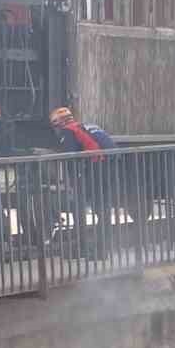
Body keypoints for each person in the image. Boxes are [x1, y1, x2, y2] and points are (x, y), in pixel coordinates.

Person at [49, 106, 117, 259]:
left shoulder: (68, 131)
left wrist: (74, 184)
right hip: (110, 167)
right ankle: (102, 250)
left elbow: (70, 158)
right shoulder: (87, 126)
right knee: (103, 211)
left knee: (77, 206)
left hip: (97, 169)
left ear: (58, 124)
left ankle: (83, 248)